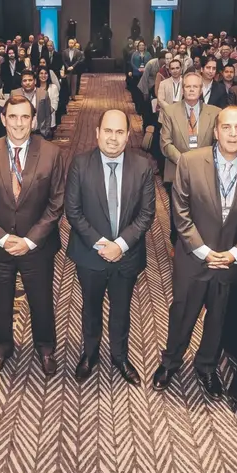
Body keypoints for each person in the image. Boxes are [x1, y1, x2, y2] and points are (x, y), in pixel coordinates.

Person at [152, 106, 237, 397]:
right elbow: (180, 214)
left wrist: (235, 253)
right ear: (215, 131)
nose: (232, 133)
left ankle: (206, 365)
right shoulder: (190, 162)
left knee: (219, 317)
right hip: (194, 258)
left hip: (231, 260)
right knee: (182, 312)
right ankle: (171, 361)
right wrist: (203, 250)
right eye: (227, 127)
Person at [0, 96, 66, 377]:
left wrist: (29, 240)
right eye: (13, 117)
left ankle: (45, 348)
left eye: (25, 117)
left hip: (37, 247)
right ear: (3, 119)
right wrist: (2, 238)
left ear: (33, 120)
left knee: (42, 301)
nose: (19, 123)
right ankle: (1, 349)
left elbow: (56, 204)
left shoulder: (51, 153)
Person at [65, 110, 154, 384]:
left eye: (119, 132)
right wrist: (103, 244)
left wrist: (121, 245)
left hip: (126, 256)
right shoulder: (80, 164)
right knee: (90, 308)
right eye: (107, 131)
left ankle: (120, 356)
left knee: (121, 309)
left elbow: (146, 214)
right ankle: (90, 354)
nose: (112, 138)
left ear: (128, 136)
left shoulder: (143, 166)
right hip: (90, 255)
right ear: (97, 133)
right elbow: (73, 211)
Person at [161, 73, 220, 245]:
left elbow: (218, 144)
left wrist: (199, 163)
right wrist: (185, 162)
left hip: (206, 171)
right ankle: (176, 244)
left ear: (201, 90)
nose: (192, 89)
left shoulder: (215, 112)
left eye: (196, 86)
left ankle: (201, 244)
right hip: (176, 170)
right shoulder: (170, 111)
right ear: (183, 89)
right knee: (178, 212)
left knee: (202, 212)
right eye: (188, 86)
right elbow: (165, 143)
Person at [10, 70, 53, 139]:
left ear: (35, 81)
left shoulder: (43, 94)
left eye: (30, 80)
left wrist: (46, 132)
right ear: (21, 83)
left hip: (39, 132)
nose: (27, 83)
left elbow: (47, 115)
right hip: (20, 132)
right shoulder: (15, 94)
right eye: (25, 80)